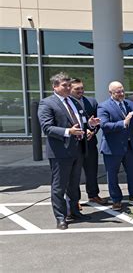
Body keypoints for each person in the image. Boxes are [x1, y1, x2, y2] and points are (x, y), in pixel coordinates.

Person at [38, 73, 100, 230]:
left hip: (78, 149)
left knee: (74, 184)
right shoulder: (47, 103)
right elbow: (47, 127)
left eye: (68, 85)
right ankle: (60, 217)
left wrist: (90, 125)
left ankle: (74, 211)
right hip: (61, 151)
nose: (67, 88)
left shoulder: (74, 102)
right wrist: (68, 131)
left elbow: (82, 122)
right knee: (59, 186)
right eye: (63, 86)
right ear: (55, 87)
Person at [98, 81, 133, 212]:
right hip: (113, 147)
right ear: (110, 93)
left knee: (132, 173)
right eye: (118, 92)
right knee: (112, 175)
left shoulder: (130, 104)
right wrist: (123, 123)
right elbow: (105, 126)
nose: (121, 94)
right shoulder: (103, 107)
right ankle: (116, 200)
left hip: (130, 145)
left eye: (122, 91)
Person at [70, 78, 106, 205]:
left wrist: (93, 130)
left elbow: (98, 120)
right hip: (75, 144)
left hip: (90, 142)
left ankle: (93, 194)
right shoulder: (68, 103)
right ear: (70, 89)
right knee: (75, 172)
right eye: (77, 89)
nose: (80, 91)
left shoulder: (91, 102)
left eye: (82, 88)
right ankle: (75, 200)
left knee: (92, 170)